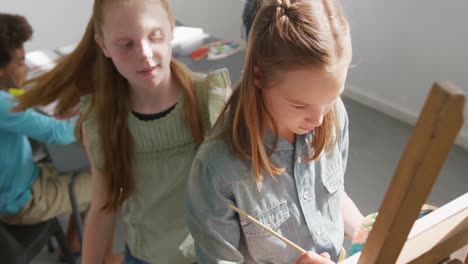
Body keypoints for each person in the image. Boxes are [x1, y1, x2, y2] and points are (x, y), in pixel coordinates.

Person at [13, 0, 231, 263]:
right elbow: (103, 207)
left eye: (155, 36)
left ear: (171, 28)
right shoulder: (102, 119)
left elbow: (243, 193)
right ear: (103, 45)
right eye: (127, 44)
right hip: (143, 257)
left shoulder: (211, 100)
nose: (145, 53)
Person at [185, 0, 364, 263]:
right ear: (258, 75)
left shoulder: (334, 115)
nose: (317, 118)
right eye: (299, 105)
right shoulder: (217, 170)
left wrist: (367, 231)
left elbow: (333, 199)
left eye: (331, 99)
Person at [0, 13, 90, 258]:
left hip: (15, 184)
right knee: (112, 184)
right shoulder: (3, 104)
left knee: (83, 170)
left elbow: (17, 97)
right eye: (19, 63)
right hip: (20, 202)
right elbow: (58, 133)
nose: (26, 68)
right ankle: (106, 258)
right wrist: (90, 114)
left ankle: (74, 244)